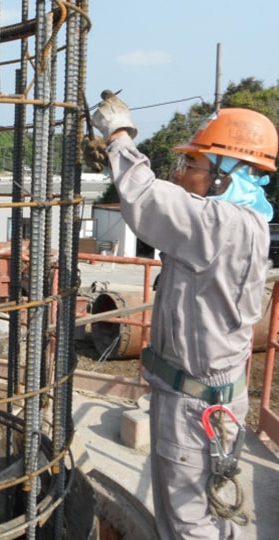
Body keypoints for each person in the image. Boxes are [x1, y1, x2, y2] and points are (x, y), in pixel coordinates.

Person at [89, 93, 277, 539]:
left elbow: (148, 202)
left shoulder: (221, 225)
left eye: (192, 164)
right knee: (208, 513)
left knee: (188, 524)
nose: (181, 173)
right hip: (213, 396)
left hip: (193, 404)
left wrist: (119, 136)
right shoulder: (246, 223)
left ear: (225, 174)